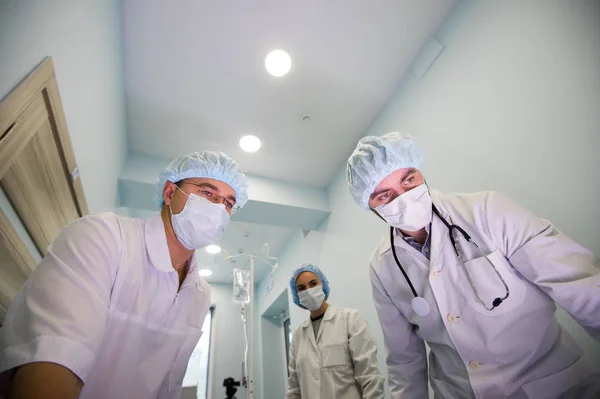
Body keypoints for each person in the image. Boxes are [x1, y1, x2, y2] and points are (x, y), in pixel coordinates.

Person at [346, 132, 600, 399]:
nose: (404, 197)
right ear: (371, 207)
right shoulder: (382, 267)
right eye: (385, 196)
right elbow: (404, 361)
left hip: (551, 385)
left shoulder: (486, 210)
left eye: (409, 180)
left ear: (420, 172)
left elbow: (580, 285)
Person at [0, 151, 249, 399]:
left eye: (228, 203)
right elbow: (54, 357)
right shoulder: (103, 237)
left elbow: (167, 385)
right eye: (207, 193)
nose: (218, 208)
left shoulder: (199, 293)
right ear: (170, 193)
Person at [286, 264, 385, 399]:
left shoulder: (350, 319)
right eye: (301, 288)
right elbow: (294, 389)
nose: (308, 290)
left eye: (313, 284)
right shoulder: (298, 336)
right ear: (297, 295)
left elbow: (369, 376)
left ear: (322, 284)